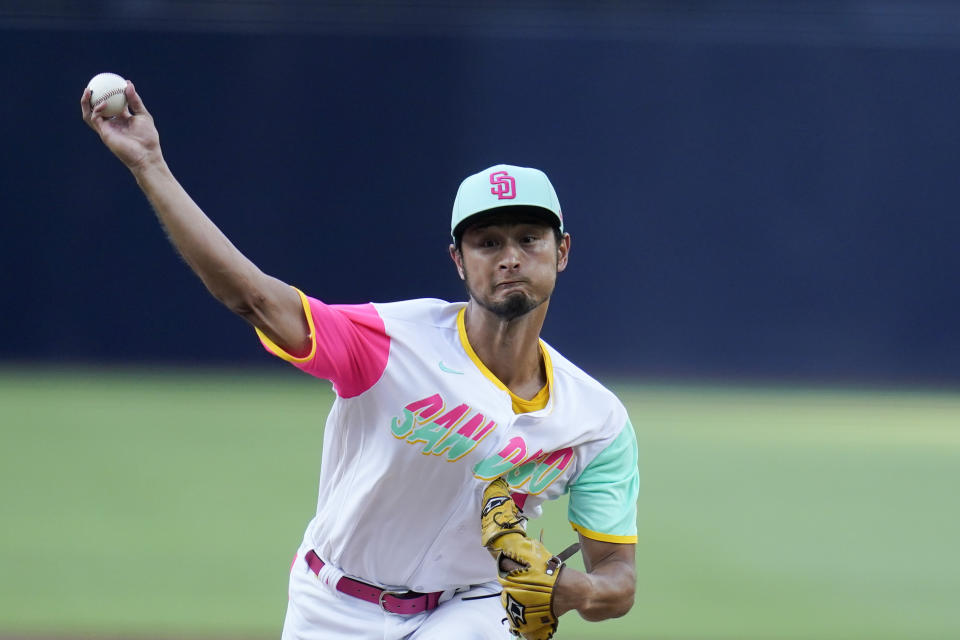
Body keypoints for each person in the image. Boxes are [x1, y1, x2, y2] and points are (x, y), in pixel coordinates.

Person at [81, 80, 639, 640]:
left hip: (473, 607)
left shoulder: (597, 420)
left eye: (530, 238)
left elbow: (618, 577)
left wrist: (580, 590)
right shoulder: (391, 341)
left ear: (561, 250)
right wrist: (150, 164)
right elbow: (252, 297)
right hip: (335, 604)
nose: (511, 257)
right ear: (458, 261)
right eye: (488, 243)